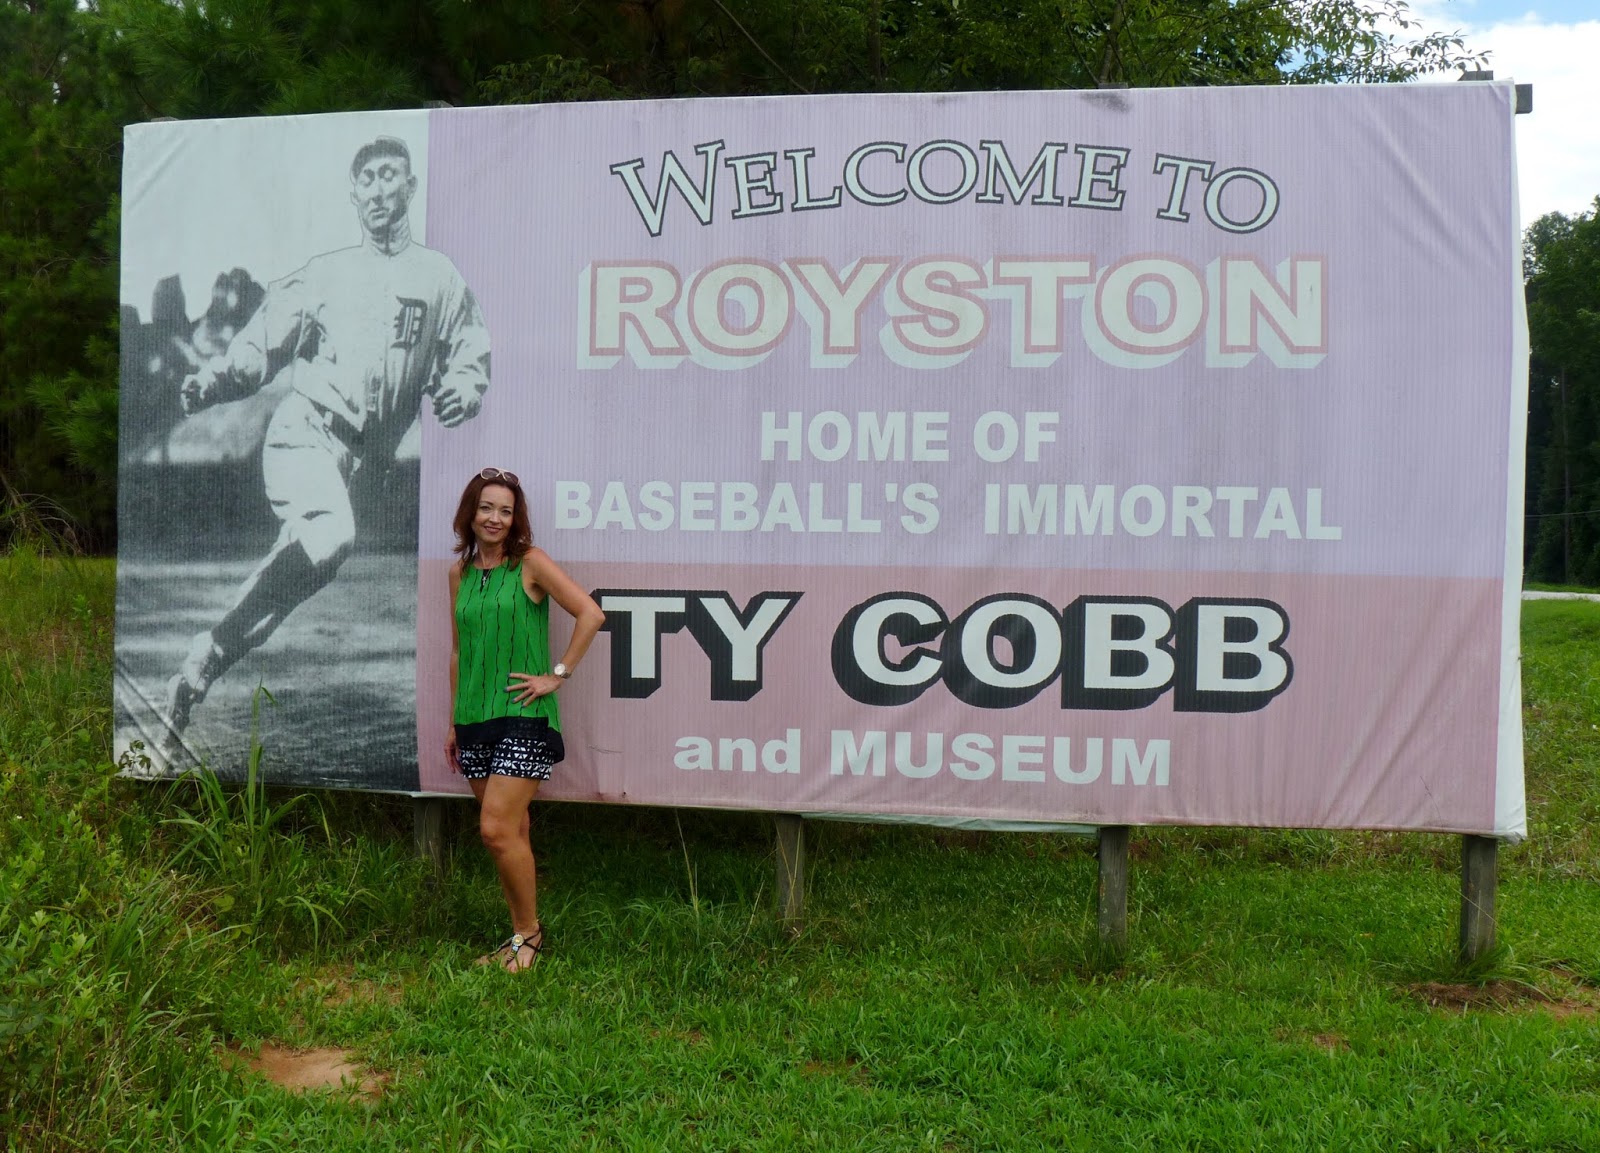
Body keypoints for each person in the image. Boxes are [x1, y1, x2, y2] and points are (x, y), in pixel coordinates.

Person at [164, 135, 491, 739]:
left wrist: (464, 390)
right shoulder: (327, 273)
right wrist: (211, 383)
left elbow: (468, 349)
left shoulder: (438, 277)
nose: (377, 189)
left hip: (368, 464)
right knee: (331, 535)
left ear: (411, 187)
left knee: (297, 583)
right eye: (365, 180)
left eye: (388, 175)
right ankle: (207, 651)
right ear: (353, 195)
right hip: (306, 433)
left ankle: (205, 657)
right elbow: (261, 345)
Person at [448, 468, 605, 971]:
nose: (495, 518)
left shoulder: (531, 564)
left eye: (506, 510)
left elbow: (591, 614)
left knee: (494, 830)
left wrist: (555, 675)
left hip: (523, 715)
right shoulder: (460, 574)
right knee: (512, 832)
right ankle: (520, 939)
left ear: (516, 519)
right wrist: (454, 721)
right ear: (470, 513)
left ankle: (526, 937)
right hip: (474, 716)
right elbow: (459, 651)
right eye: (487, 507)